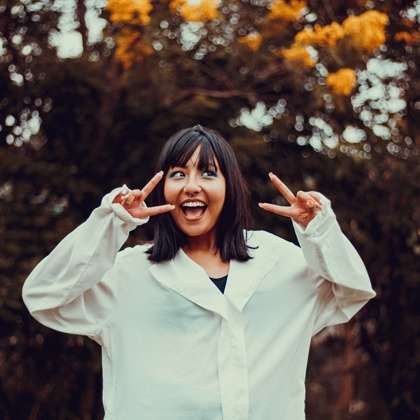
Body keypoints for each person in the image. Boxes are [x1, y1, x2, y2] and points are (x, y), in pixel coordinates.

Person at [22, 124, 376, 420]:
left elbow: (352, 290)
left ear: (230, 187)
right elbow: (44, 295)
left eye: (208, 173)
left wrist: (319, 230)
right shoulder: (128, 274)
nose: (191, 185)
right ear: (163, 188)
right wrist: (110, 223)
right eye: (178, 174)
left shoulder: (281, 263)